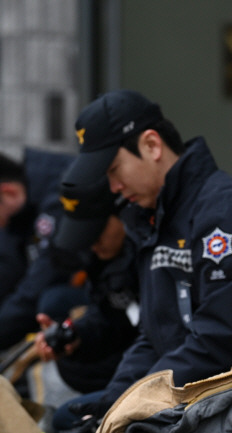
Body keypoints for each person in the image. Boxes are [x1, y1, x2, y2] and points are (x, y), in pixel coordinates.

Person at [60, 89, 232, 424]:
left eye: (114, 170)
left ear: (152, 145)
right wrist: (115, 403)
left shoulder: (229, 213)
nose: (112, 188)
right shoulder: (156, 219)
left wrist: (137, 404)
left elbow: (224, 341)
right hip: (204, 393)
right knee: (76, 419)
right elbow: (153, 337)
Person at [32, 174, 139, 432]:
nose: (92, 243)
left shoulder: (147, 249)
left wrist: (115, 399)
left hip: (169, 369)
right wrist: (75, 336)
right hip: (143, 358)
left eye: (96, 231)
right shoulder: (104, 257)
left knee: (67, 418)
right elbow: (109, 316)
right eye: (85, 235)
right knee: (72, 366)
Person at [0, 149, 88, 351]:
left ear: (8, 192)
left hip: (105, 293)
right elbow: (7, 266)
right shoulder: (21, 204)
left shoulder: (61, 194)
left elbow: (39, 283)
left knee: (53, 301)